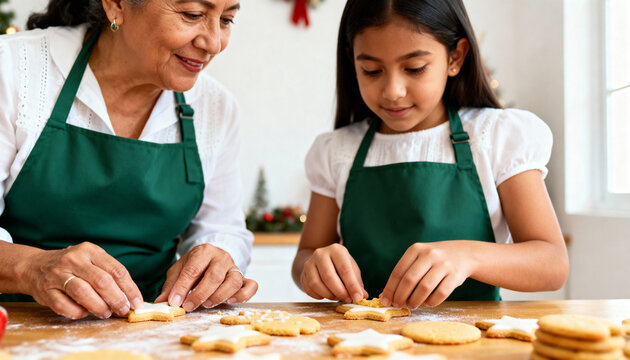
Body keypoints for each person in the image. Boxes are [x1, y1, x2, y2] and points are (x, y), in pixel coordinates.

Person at [292, 0, 569, 309]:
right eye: (371, 70)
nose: (393, 90)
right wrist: (313, 266)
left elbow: (552, 264)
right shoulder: (337, 151)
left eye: (414, 68)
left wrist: (468, 255)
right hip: (362, 346)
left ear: (455, 57)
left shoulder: (495, 137)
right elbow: (305, 256)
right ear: (352, 62)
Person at [0, 0, 258, 319]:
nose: (214, 43)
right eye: (192, 15)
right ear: (117, 6)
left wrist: (218, 257)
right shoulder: (13, 71)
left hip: (152, 334)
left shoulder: (215, 106)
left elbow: (222, 227)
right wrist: (31, 268)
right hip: (16, 321)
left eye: (226, 20)